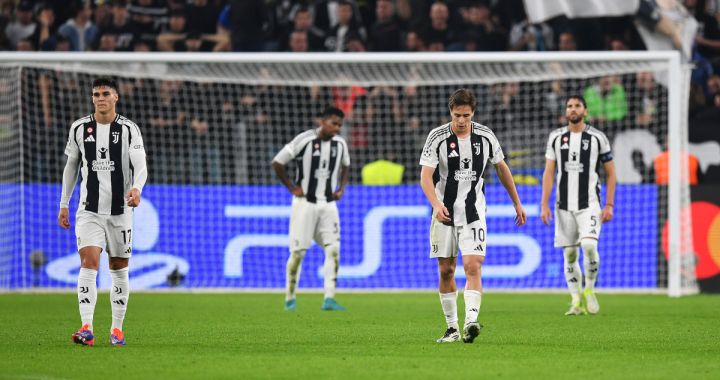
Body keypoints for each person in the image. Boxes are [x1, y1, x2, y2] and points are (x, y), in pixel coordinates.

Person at [419, 89, 527, 344]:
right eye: (457, 115)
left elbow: (502, 168)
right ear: (450, 112)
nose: (461, 120)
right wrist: (435, 204)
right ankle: (452, 328)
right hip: (444, 213)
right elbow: (425, 175)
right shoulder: (437, 137)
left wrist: (517, 203)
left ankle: (470, 322)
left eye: (466, 115)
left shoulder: (486, 136)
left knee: (472, 265)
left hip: (473, 212)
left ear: (473, 113)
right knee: (446, 270)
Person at [58, 77, 148, 346]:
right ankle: (86, 327)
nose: (100, 98)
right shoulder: (79, 128)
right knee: (89, 263)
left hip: (121, 211)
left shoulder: (129, 129)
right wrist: (64, 202)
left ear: (115, 97)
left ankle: (117, 329)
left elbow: (140, 164)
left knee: (118, 268)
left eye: (105, 93)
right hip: (89, 210)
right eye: (96, 94)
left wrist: (137, 189)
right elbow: (71, 167)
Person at [540, 95, 616, 316]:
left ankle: (590, 289)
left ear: (585, 111)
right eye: (569, 106)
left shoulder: (597, 138)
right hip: (563, 206)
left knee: (589, 247)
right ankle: (575, 300)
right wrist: (544, 204)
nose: (573, 109)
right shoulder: (555, 137)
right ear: (565, 112)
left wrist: (609, 204)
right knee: (570, 255)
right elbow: (549, 172)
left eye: (577, 106)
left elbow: (611, 174)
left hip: (590, 204)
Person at [272, 106, 350, 312]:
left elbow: (346, 165)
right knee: (298, 254)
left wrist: (341, 188)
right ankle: (290, 297)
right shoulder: (304, 140)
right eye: (334, 123)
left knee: (333, 250)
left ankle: (329, 298)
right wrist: (292, 187)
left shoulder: (340, 144)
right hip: (304, 204)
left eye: (340, 125)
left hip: (328, 205)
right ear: (322, 121)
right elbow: (277, 162)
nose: (337, 128)